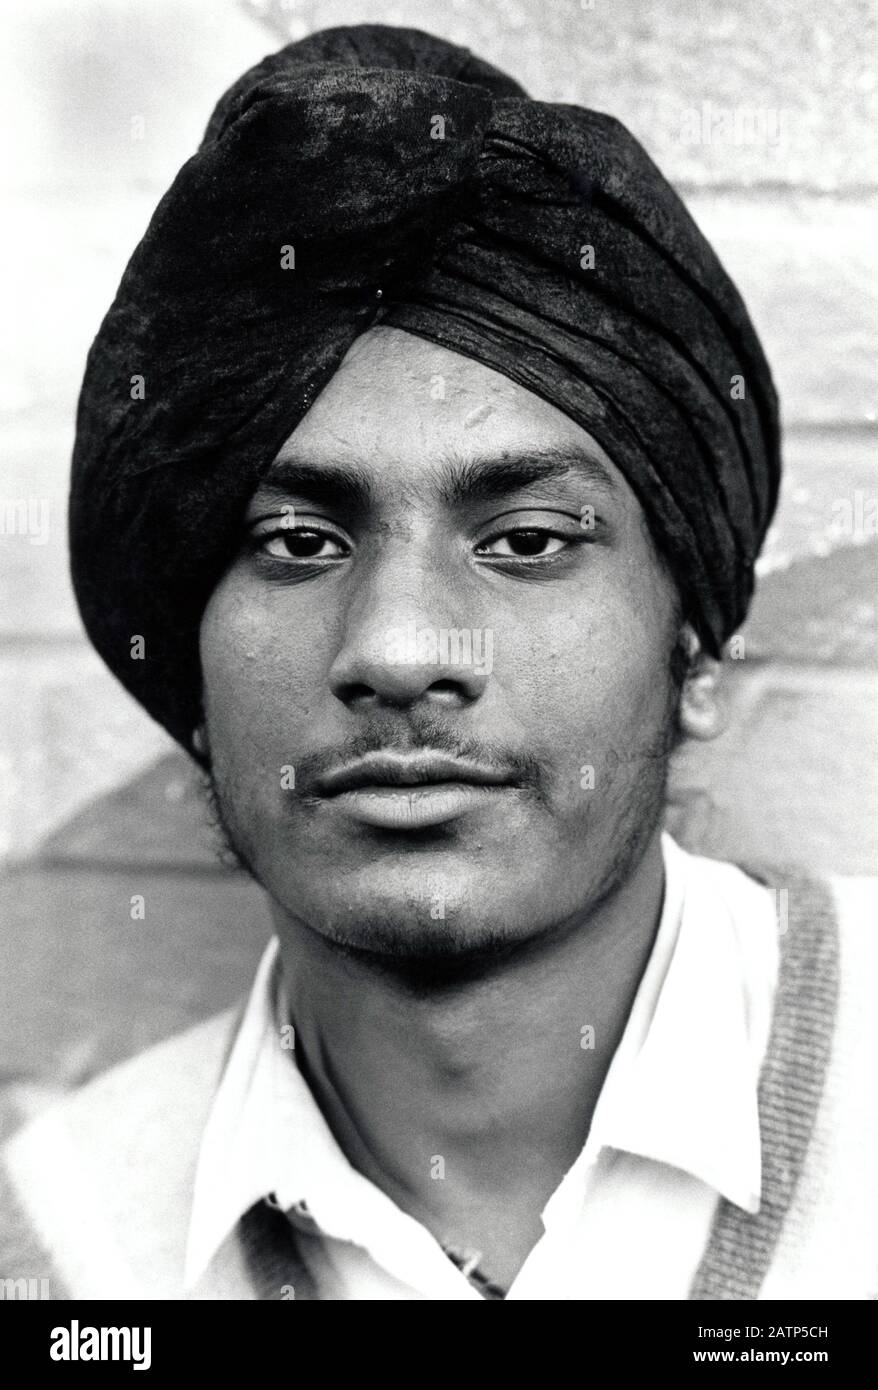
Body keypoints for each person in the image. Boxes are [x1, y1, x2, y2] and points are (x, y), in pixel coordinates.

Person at [2, 24, 874, 1301]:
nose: (401, 649)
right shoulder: (65, 1262)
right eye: (295, 541)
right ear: (188, 677)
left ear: (692, 646)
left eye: (524, 539)